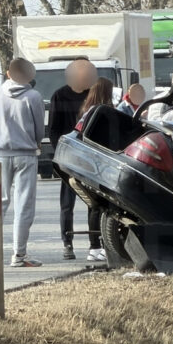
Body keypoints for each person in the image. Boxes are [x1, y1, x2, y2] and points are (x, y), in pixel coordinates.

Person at [0, 58, 45, 268]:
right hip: (26, 154)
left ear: (8, 73)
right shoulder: (34, 96)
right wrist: (36, 142)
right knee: (24, 204)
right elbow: (39, 128)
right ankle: (19, 254)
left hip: (1, 153)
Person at [50, 59, 97, 260]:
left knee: (94, 204)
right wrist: (61, 154)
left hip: (90, 157)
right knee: (67, 204)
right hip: (68, 157)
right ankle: (67, 243)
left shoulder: (93, 95)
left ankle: (95, 244)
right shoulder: (59, 95)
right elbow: (53, 129)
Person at [73, 77, 116, 262]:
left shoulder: (86, 111)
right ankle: (101, 245)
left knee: (93, 206)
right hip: (101, 164)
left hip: (87, 163)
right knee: (103, 206)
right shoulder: (103, 111)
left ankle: (94, 247)